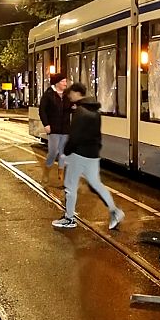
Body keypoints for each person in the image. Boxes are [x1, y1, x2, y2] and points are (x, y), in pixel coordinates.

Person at [51, 83, 124, 230]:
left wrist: (65, 151)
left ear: (77, 93)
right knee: (96, 184)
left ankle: (69, 218)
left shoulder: (80, 112)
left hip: (78, 154)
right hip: (93, 154)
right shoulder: (96, 111)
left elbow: (75, 136)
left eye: (71, 94)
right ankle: (115, 211)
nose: (69, 96)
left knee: (70, 186)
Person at [38, 72, 71, 183]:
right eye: (63, 81)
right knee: (53, 152)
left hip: (65, 128)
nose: (65, 84)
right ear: (57, 83)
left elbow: (71, 108)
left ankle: (61, 173)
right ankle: (47, 171)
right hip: (53, 129)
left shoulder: (67, 95)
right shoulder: (48, 94)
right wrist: (46, 124)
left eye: (66, 81)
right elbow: (42, 110)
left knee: (63, 153)